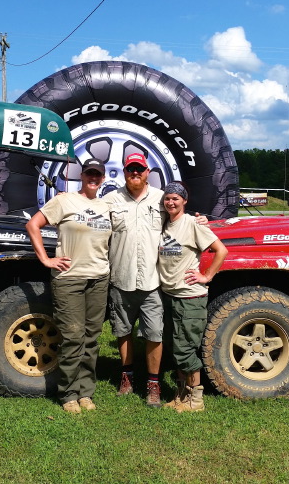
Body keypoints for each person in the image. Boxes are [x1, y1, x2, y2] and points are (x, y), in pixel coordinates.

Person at [103, 153, 207, 407]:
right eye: (130, 169)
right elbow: (88, 210)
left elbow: (178, 213)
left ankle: (153, 385)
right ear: (125, 171)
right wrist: (65, 198)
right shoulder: (111, 199)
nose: (135, 173)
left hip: (152, 282)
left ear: (147, 171)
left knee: (154, 334)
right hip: (121, 279)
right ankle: (126, 378)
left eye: (139, 169)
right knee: (123, 331)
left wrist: (199, 219)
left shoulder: (160, 198)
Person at [25, 158, 112, 414]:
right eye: (89, 174)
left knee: (92, 339)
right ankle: (68, 393)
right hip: (70, 278)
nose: (93, 178)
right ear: (81, 176)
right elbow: (33, 225)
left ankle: (86, 392)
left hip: (99, 278)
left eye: (97, 174)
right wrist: (45, 259)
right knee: (73, 337)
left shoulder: (107, 205)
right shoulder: (64, 200)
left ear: (103, 178)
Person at [158, 181, 227, 413]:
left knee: (186, 348)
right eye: (168, 198)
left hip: (189, 297)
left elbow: (221, 250)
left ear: (184, 201)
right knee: (175, 347)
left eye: (176, 199)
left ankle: (195, 399)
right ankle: (181, 395)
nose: (170, 202)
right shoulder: (166, 223)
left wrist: (206, 275)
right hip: (169, 295)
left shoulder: (192, 224)